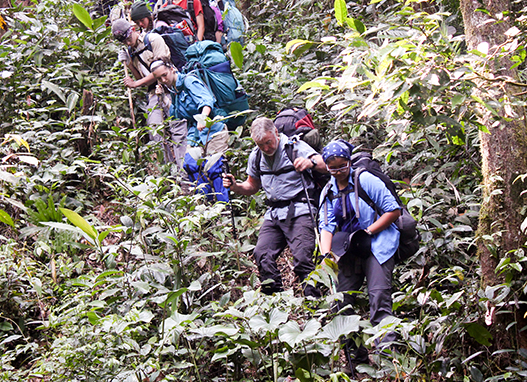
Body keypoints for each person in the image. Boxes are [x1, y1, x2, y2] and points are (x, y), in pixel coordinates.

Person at [222, 117, 327, 296]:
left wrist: (311, 163)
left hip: (300, 210)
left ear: (276, 133)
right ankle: (275, 299)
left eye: (268, 143)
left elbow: (326, 164)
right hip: (274, 214)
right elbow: (252, 186)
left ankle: (314, 302)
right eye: (260, 145)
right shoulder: (256, 156)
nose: (266, 148)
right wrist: (235, 186)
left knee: (302, 258)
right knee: (262, 254)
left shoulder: (295, 147)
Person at [318, 139, 401, 365]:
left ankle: (387, 361)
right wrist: (327, 255)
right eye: (332, 167)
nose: (338, 172)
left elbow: (393, 209)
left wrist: (369, 231)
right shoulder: (328, 191)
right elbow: (326, 225)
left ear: (349, 162)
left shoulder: (364, 180)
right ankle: (357, 359)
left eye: (342, 166)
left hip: (378, 244)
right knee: (341, 301)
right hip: (349, 249)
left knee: (379, 298)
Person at [112, 18, 176, 163]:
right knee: (155, 130)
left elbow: (159, 72)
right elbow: (141, 77)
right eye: (123, 42)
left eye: (128, 39)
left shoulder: (153, 40)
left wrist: (135, 84)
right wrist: (129, 64)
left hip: (170, 88)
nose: (128, 43)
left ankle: (184, 171)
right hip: (153, 92)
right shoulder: (131, 50)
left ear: (133, 29)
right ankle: (168, 170)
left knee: (177, 128)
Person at [150, 60, 228, 164]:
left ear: (172, 69)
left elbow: (207, 101)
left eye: (165, 75)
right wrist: (163, 97)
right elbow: (176, 114)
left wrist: (203, 118)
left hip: (213, 130)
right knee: (190, 165)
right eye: (159, 78)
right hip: (195, 134)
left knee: (215, 169)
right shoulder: (175, 90)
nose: (163, 80)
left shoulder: (189, 81)